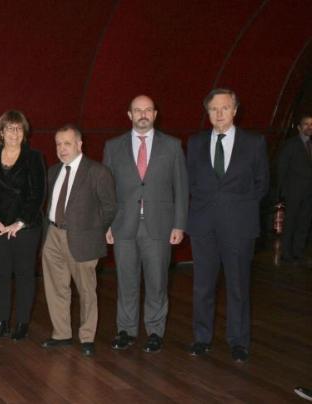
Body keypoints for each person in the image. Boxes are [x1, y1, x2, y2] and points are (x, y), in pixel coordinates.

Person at [186, 88, 269, 362]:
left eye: (224, 108)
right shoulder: (195, 143)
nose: (219, 113)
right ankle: (202, 338)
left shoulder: (254, 143)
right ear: (207, 113)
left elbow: (262, 184)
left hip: (239, 227)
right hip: (203, 226)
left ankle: (238, 342)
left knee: (238, 287)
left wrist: (238, 208)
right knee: (202, 286)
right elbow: (190, 182)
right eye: (213, 109)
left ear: (235, 110)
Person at [103, 95, 188, 353]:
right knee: (126, 282)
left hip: (159, 226)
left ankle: (155, 331)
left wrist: (179, 224)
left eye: (148, 110)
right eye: (138, 110)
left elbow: (181, 188)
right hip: (123, 225)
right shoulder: (113, 147)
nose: (143, 114)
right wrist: (107, 225)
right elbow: (106, 191)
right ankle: (126, 331)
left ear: (155, 114)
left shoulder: (172, 146)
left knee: (157, 282)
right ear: (129, 115)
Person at [39, 125, 116, 357]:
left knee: (86, 290)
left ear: (79, 144)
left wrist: (92, 230)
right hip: (53, 234)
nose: (62, 148)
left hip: (83, 238)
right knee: (56, 288)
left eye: (67, 143)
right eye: (58, 144)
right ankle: (61, 334)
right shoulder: (53, 171)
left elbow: (110, 207)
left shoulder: (97, 171)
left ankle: (87, 337)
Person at [0, 110, 45, 340]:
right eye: (9, 128)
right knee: (2, 275)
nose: (14, 133)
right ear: (1, 133)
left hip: (25, 227)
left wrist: (20, 222)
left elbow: (37, 194)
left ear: (24, 132)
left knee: (25, 275)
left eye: (18, 128)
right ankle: (3, 321)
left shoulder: (34, 157)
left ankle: (22, 322)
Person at [276, 113, 312, 265]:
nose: (309, 127)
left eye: (311, 124)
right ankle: (286, 254)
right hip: (293, 192)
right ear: (299, 127)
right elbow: (281, 168)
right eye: (306, 124)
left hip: (309, 193)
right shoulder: (291, 144)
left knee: (304, 223)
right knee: (290, 223)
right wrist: (283, 192)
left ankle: (298, 253)